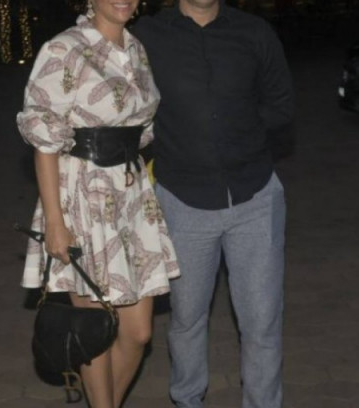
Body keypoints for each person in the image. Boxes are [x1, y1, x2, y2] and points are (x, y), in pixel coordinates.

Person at [16, 0, 180, 406]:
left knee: (138, 333)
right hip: (83, 194)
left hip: (131, 197)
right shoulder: (63, 48)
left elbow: (143, 127)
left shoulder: (136, 49)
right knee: (94, 329)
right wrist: (55, 222)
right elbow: (45, 142)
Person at [133, 1, 294, 407]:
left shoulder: (255, 32)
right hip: (182, 200)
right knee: (187, 319)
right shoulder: (148, 36)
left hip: (255, 195)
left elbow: (281, 104)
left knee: (262, 322)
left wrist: (239, 132)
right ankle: (187, 400)